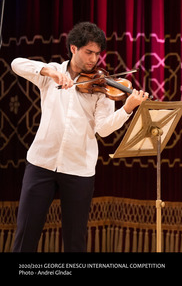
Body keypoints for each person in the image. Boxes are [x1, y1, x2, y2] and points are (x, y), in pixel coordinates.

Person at [11, 22, 149, 252]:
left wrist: (127, 108)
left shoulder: (100, 85)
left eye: (97, 54)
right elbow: (16, 64)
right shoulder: (51, 74)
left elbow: (103, 129)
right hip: (41, 162)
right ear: (74, 48)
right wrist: (49, 71)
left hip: (79, 169)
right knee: (26, 234)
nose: (94, 59)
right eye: (88, 52)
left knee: (75, 241)